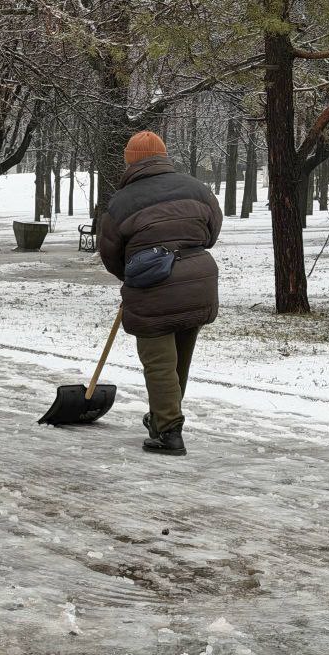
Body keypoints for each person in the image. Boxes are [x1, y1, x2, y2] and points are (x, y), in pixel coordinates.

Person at [98, 131, 222, 455]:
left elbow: (110, 253)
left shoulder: (122, 202)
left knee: (159, 363)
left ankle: (168, 432)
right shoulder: (198, 189)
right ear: (163, 156)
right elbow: (211, 233)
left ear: (130, 161)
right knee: (179, 358)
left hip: (153, 287)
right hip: (198, 281)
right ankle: (162, 417)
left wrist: (134, 272)